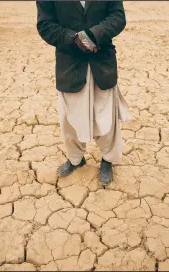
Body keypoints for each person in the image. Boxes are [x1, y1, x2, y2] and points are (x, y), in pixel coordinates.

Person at [36, 0, 132, 186]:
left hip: (102, 63)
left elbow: (118, 17)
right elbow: (45, 24)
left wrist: (92, 36)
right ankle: (76, 159)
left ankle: (107, 159)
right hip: (69, 65)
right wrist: (74, 39)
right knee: (70, 120)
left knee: (106, 117)